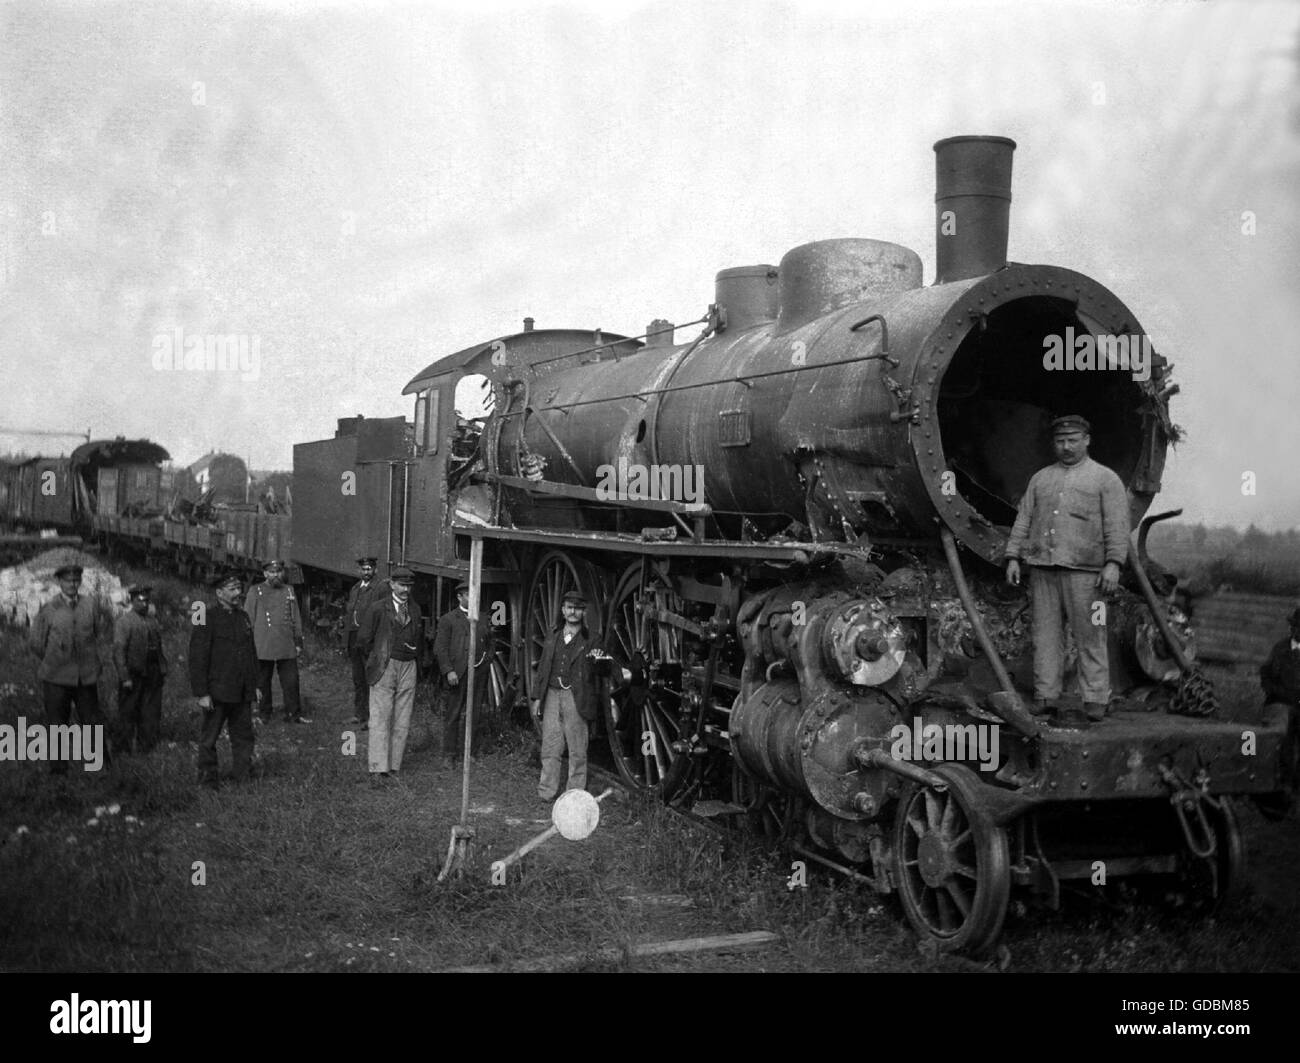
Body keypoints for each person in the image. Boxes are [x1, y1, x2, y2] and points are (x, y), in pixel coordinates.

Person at [1004, 415, 1130, 723]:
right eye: (1060, 441)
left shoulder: (1106, 479)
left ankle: (1096, 700)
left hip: (1087, 573)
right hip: (1043, 569)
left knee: (1090, 635)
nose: (1066, 446)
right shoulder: (1041, 478)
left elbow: (1118, 525)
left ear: (1087, 440)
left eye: (1073, 440)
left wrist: (1113, 564)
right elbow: (1023, 519)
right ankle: (1046, 696)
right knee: (1045, 636)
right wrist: (1013, 557)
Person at [29, 563, 111, 775]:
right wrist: (56, 660)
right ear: (59, 582)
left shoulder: (90, 605)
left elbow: (97, 631)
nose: (72, 584)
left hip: (85, 676)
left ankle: (100, 766)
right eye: (68, 581)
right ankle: (59, 771)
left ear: (80, 582)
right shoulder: (49, 609)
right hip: (56, 677)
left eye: (76, 580)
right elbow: (37, 643)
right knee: (57, 724)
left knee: (92, 721)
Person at [189, 570, 261, 789]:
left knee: (243, 736)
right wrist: (202, 693)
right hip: (217, 691)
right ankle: (208, 780)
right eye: (233, 589)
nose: (238, 593)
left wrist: (255, 685)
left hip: (241, 691)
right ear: (219, 593)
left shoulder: (244, 617)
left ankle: (242, 776)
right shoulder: (206, 617)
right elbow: (197, 657)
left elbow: (250, 654)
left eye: (240, 588)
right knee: (209, 738)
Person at [531, 590, 602, 802]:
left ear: (583, 612)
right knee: (551, 744)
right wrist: (536, 697)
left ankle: (574, 795)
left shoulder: (592, 640)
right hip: (551, 694)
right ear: (563, 610)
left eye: (578, 608)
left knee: (577, 747)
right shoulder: (553, 636)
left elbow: (602, 666)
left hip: (575, 696)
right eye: (569, 607)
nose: (573, 612)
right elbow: (543, 668)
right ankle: (547, 791)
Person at [357, 566, 422, 782]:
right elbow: (363, 640)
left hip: (408, 666)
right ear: (392, 584)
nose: (405, 590)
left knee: (403, 717)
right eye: (402, 585)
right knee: (380, 716)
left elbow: (418, 638)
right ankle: (377, 767)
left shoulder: (415, 610)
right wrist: (377, 659)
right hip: (385, 665)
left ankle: (394, 765)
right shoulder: (377, 608)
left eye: (409, 586)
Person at [245, 559, 309, 724]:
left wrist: (298, 642)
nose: (275, 575)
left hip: (285, 643)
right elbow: (248, 619)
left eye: (278, 571)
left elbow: (296, 618)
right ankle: (264, 713)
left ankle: (293, 714)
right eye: (272, 572)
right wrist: (248, 644)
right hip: (262, 644)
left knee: (291, 681)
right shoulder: (255, 591)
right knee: (262, 681)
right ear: (265, 573)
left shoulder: (289, 590)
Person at [433, 579, 490, 762]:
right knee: (453, 714)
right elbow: (440, 648)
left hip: (478, 675)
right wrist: (448, 671)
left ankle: (470, 753)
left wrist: (486, 663)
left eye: (475, 594)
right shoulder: (448, 619)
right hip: (457, 675)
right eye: (468, 594)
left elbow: (490, 643)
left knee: (475, 715)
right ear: (459, 597)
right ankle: (449, 754)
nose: (473, 598)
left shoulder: (483, 618)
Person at [113, 584, 167, 754]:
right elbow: (118, 651)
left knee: (150, 712)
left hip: (152, 672)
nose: (144, 604)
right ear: (132, 601)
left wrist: (162, 670)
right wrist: (124, 677)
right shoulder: (125, 622)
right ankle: (123, 749)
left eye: (146, 601)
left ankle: (147, 748)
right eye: (140, 600)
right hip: (133, 673)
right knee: (128, 712)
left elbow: (158, 647)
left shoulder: (152, 621)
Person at [344, 557, 382, 728]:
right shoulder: (355, 589)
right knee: (358, 678)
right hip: (355, 638)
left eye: (369, 569)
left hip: (369, 640)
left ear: (374, 570)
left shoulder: (380, 589)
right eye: (363, 569)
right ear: (359, 571)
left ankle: (372, 719)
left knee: (371, 679)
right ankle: (359, 714)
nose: (366, 572)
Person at [1260, 607, 1300, 709]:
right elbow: (1266, 673)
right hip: (1280, 703)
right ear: (1292, 627)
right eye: (1296, 626)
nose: (1298, 630)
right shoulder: (1280, 648)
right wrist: (1274, 692)